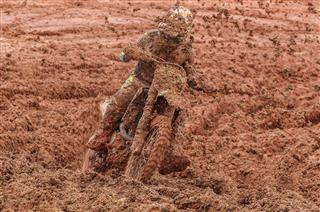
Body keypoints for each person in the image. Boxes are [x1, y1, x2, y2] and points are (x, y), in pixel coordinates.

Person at [83, 6, 201, 172]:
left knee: (178, 114)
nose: (170, 38)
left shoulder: (186, 49)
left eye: (175, 35)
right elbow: (128, 51)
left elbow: (189, 68)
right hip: (140, 81)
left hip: (165, 89)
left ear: (184, 32)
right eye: (168, 33)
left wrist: (196, 80)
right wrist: (128, 54)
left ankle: (170, 150)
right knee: (117, 103)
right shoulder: (151, 37)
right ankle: (103, 134)